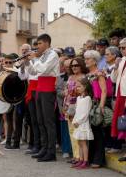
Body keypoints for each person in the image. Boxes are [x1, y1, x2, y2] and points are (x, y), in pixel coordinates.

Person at [26, 34, 60, 162]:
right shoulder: (43, 56)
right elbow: (34, 72)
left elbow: (44, 70)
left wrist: (34, 59)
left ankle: (51, 152)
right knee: (40, 120)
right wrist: (28, 61)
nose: (38, 46)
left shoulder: (52, 54)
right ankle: (44, 148)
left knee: (48, 121)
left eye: (40, 44)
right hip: (40, 88)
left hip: (48, 88)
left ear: (46, 43)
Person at [84, 50, 108, 168]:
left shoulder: (99, 74)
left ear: (95, 61)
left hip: (96, 104)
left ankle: (99, 160)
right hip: (87, 104)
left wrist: (101, 106)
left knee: (97, 132)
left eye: (88, 59)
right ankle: (91, 157)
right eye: (86, 58)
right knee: (91, 132)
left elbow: (104, 91)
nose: (86, 61)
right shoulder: (88, 75)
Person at [63, 57, 88, 164]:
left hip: (79, 107)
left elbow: (85, 92)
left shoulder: (84, 77)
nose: (74, 67)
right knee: (71, 132)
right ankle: (75, 155)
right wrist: (65, 106)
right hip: (69, 107)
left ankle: (80, 157)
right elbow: (66, 91)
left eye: (76, 65)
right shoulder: (70, 77)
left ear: (81, 65)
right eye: (72, 66)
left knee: (79, 132)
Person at [72, 78, 94, 169]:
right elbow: (77, 111)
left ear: (85, 87)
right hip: (77, 123)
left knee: (84, 143)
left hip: (83, 124)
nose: (77, 88)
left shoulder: (88, 98)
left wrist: (78, 121)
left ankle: (85, 161)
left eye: (79, 86)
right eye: (77, 86)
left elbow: (85, 113)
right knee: (79, 143)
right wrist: (74, 121)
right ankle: (80, 159)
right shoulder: (78, 98)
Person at [111, 38, 126, 162]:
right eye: (120, 48)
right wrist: (116, 66)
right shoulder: (121, 61)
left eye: (124, 48)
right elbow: (114, 80)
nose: (121, 50)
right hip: (120, 95)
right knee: (122, 124)